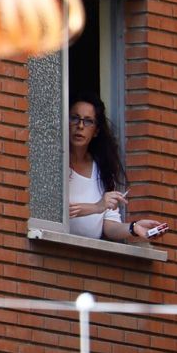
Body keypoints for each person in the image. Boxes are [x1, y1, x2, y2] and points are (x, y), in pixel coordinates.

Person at [66, 95, 165, 243]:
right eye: (74, 118)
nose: (80, 126)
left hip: (86, 256)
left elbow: (109, 227)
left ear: (96, 131)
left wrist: (134, 228)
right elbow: (55, 211)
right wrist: (97, 207)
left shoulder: (102, 171)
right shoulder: (56, 163)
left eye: (88, 121)